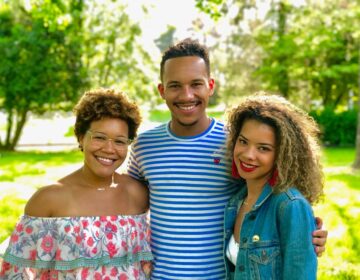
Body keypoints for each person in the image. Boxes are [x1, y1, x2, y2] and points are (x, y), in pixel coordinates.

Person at [127, 38, 327, 279]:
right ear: (162, 90)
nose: (187, 94)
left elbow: (271, 195)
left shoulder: (236, 143)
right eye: (175, 85)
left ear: (210, 86)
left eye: (196, 84)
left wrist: (308, 233)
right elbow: (126, 205)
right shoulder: (143, 146)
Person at [0, 88, 153, 279]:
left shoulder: (138, 194)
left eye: (120, 141)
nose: (109, 149)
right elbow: (18, 274)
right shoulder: (48, 200)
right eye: (99, 137)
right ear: (81, 137)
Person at [224, 93, 323, 279]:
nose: (248, 155)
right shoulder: (236, 201)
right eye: (243, 141)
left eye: (263, 148)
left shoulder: (290, 206)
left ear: (282, 154)